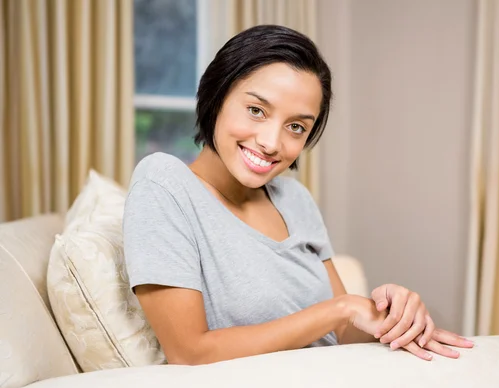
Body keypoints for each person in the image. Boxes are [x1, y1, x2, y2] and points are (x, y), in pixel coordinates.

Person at [122, 24, 474, 366]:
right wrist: (341, 307)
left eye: (296, 127)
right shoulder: (163, 184)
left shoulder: (294, 198)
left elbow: (342, 331)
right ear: (217, 96)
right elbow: (189, 352)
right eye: (256, 110)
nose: (272, 143)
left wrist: (390, 314)